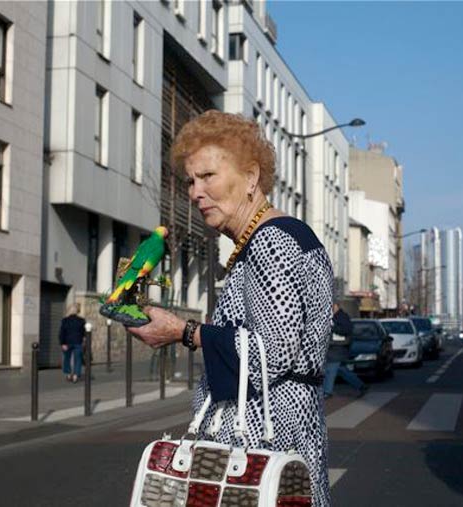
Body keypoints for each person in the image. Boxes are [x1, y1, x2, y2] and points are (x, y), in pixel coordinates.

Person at [127, 110, 332, 506]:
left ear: (251, 177)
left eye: (208, 176)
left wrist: (183, 332)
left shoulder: (271, 242)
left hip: (260, 445)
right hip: (284, 438)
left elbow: (272, 351)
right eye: (190, 180)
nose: (194, 192)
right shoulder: (272, 240)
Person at [323, 303, 367, 398]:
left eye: (332, 306)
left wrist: (332, 328)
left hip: (337, 348)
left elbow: (347, 330)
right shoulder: (334, 316)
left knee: (330, 370)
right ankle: (361, 385)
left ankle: (327, 392)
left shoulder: (341, 316)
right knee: (341, 370)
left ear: (336, 306)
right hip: (334, 348)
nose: (329, 308)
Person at [59, 303, 85, 383]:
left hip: (67, 342)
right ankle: (75, 375)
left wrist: (62, 343)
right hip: (78, 342)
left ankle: (68, 373)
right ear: (78, 311)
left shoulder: (65, 320)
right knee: (78, 359)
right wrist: (84, 341)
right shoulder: (82, 321)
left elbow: (62, 333)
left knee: (67, 358)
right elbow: (84, 333)